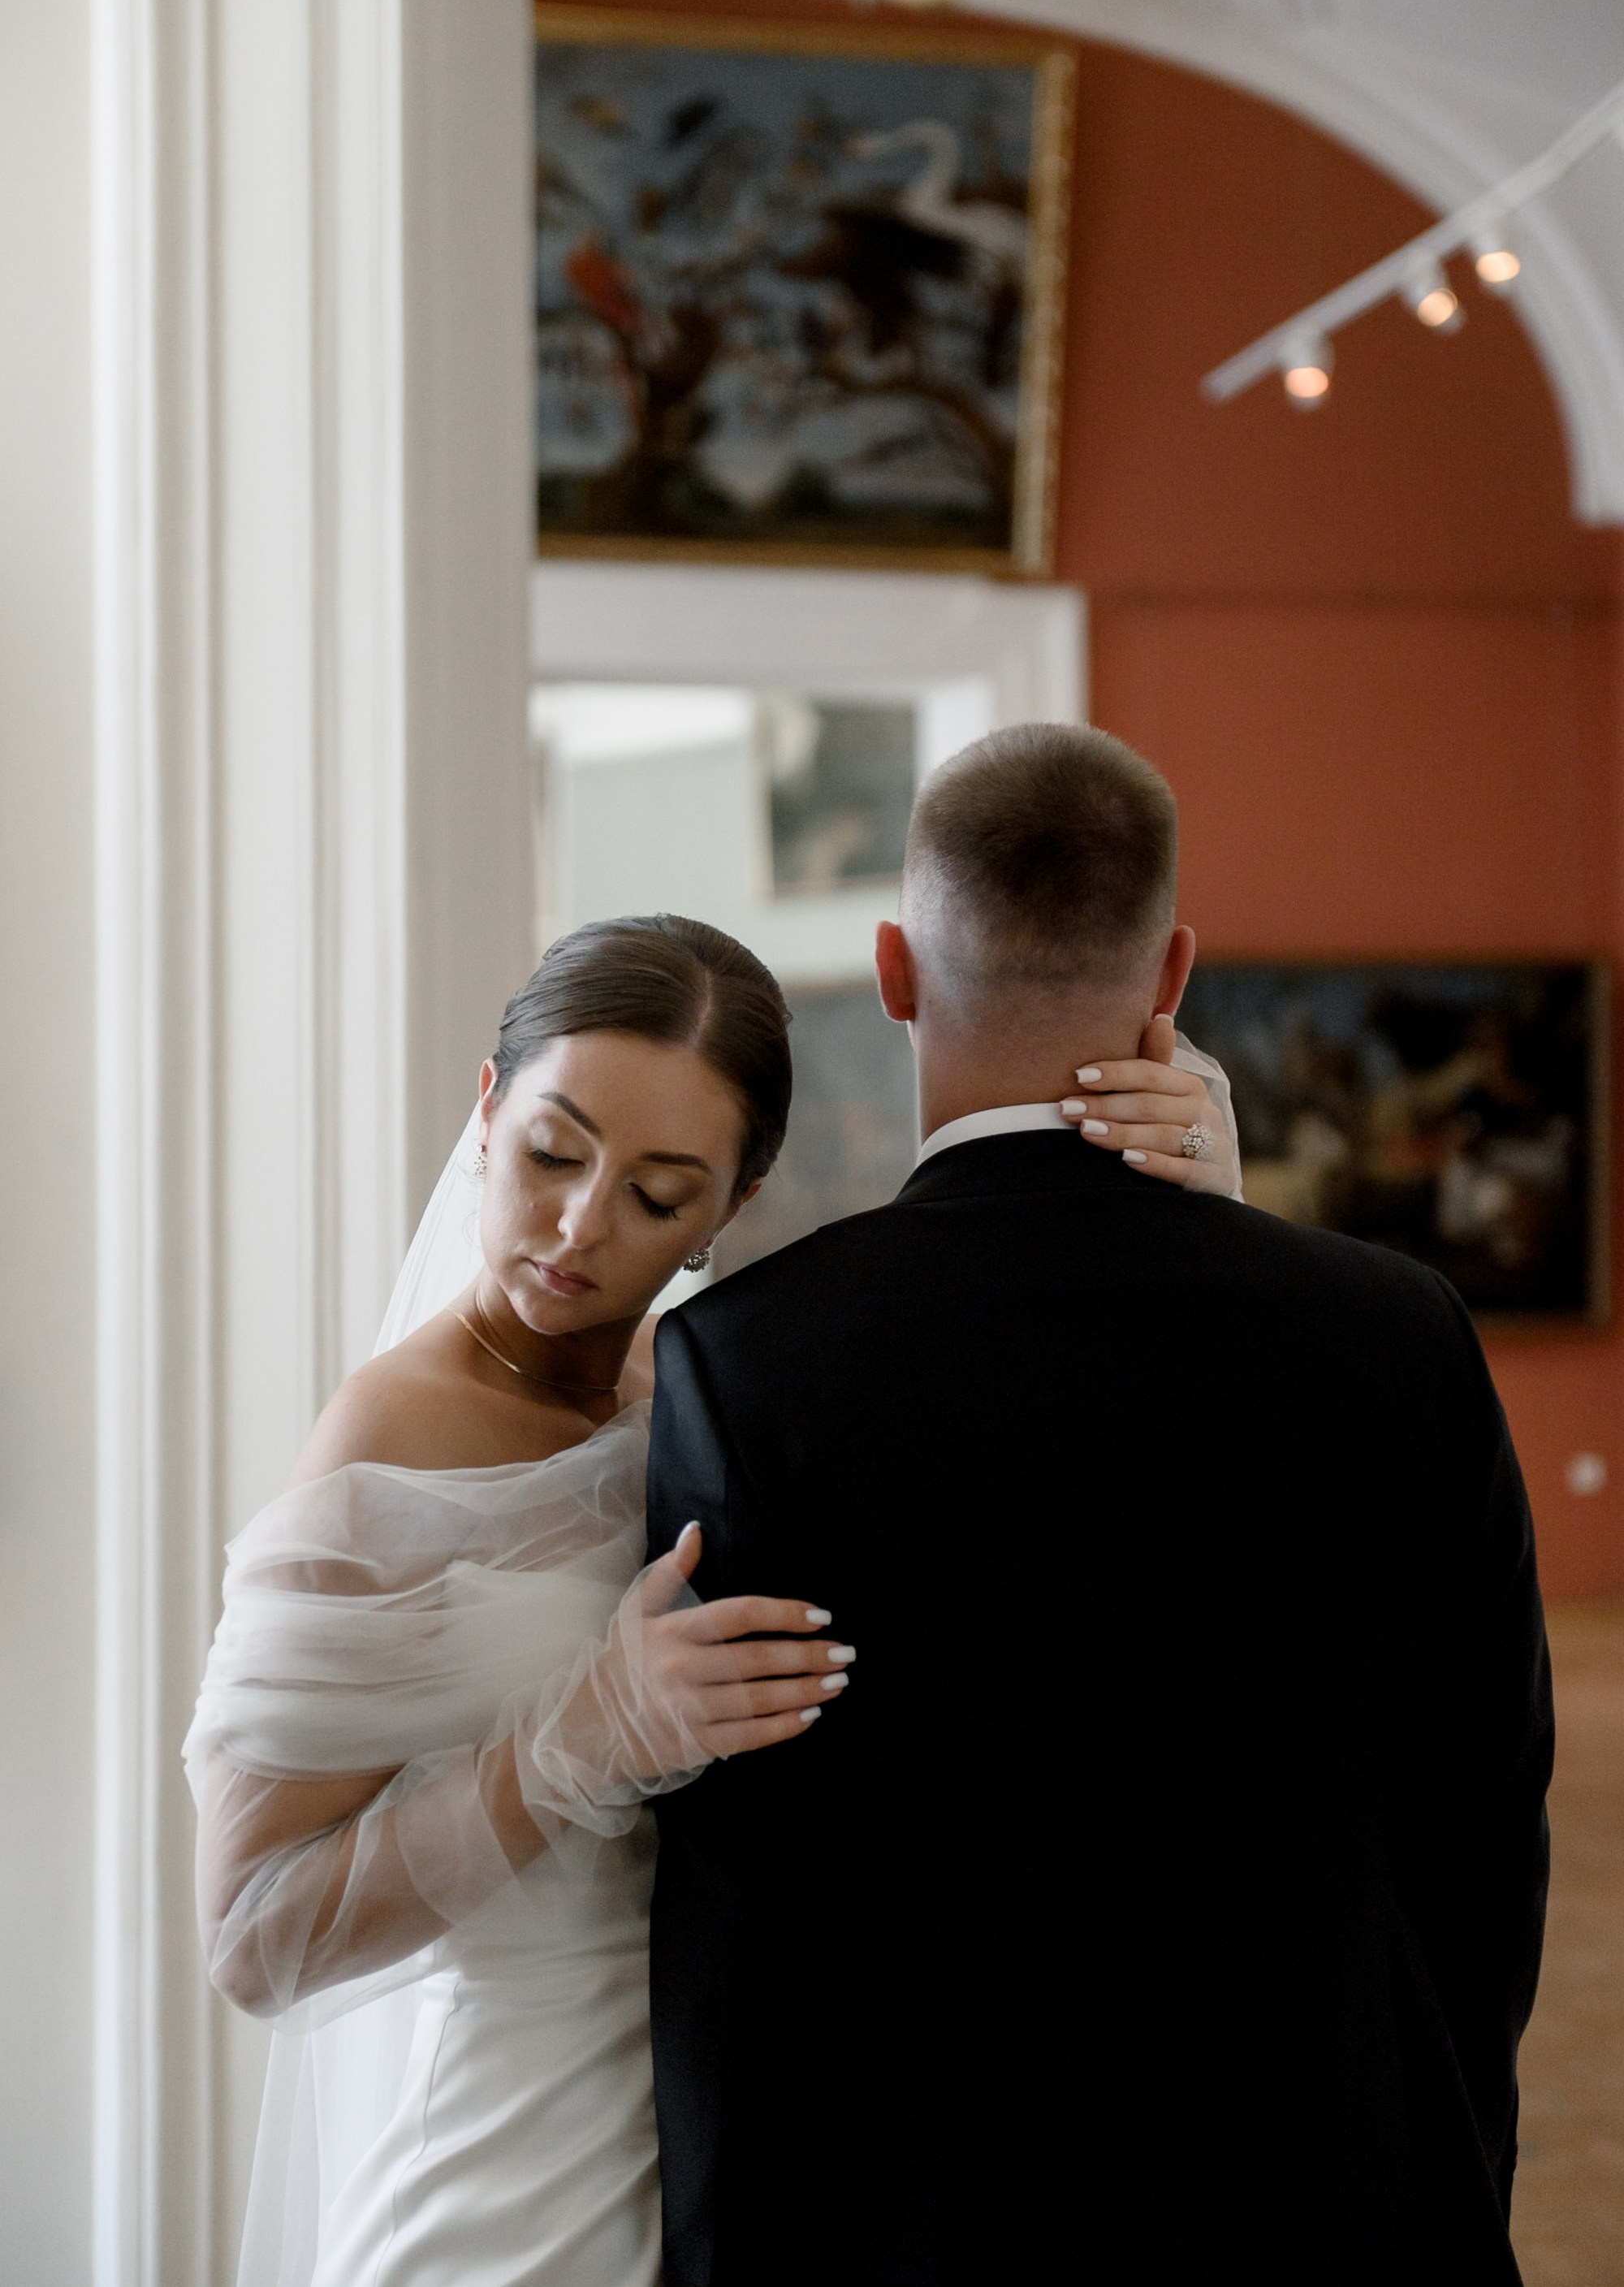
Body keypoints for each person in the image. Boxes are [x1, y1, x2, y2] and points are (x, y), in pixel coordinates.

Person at [185, 906, 1233, 2287]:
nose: (577, 1226)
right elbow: (257, 1937)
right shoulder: (383, 1450)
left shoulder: (710, 1390)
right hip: (507, 2162)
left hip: (735, 2132)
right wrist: (579, 1743)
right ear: (488, 1110)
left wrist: (1188, 1203)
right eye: (553, 1152)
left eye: (658, 1193)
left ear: (732, 1208)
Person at [645, 725, 1553, 2287]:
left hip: (921, 2208)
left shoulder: (749, 1362)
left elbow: (744, 1905)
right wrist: (1445, 2159)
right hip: (1328, 2184)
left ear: (892, 966)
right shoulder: (1401, 1334)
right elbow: (1482, 1825)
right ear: (1173, 971)